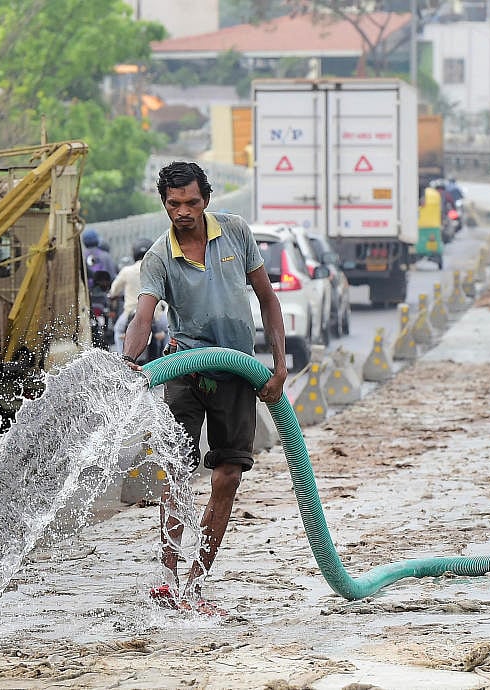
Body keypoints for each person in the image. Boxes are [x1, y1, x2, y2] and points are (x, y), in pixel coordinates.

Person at [121, 160, 288, 612]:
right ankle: (167, 574)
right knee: (177, 470)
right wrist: (129, 364)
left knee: (228, 475)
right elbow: (143, 315)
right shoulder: (159, 257)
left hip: (236, 370)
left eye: (191, 202)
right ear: (164, 205)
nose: (183, 212)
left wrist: (279, 366)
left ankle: (197, 582)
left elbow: (267, 299)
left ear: (206, 201)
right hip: (185, 369)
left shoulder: (234, 232)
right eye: (174, 204)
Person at [109, 238, 167, 358]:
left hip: (131, 312)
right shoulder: (158, 268)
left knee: (118, 330)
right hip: (156, 313)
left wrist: (113, 294)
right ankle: (168, 360)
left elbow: (114, 290)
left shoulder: (127, 271)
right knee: (170, 330)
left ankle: (123, 362)